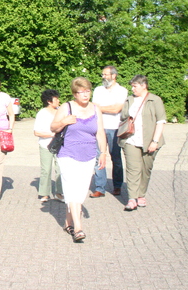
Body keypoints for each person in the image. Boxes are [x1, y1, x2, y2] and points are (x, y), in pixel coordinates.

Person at [51, 77, 108, 242]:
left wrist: (103, 153)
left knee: (82, 189)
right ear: (74, 94)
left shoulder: (96, 109)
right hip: (68, 153)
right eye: (81, 92)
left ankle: (67, 223)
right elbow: (53, 127)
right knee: (71, 188)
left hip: (89, 154)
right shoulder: (66, 107)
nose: (85, 94)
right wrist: (64, 121)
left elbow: (100, 132)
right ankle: (78, 227)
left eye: (87, 91)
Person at [119, 74, 166, 211]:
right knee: (133, 169)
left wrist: (155, 141)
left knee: (146, 169)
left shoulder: (155, 100)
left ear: (143, 85)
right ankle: (132, 198)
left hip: (150, 141)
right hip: (131, 140)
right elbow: (123, 117)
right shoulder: (129, 100)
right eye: (132, 86)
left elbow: (160, 121)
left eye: (135, 86)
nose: (132, 89)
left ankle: (141, 195)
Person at [90, 66, 129, 197]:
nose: (103, 77)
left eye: (106, 74)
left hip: (115, 127)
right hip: (99, 127)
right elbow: (94, 108)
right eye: (102, 74)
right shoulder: (98, 90)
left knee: (116, 157)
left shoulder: (122, 91)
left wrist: (101, 107)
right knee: (98, 156)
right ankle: (100, 188)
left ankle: (117, 185)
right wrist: (106, 108)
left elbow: (117, 109)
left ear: (114, 76)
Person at [33, 89, 64, 203]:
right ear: (49, 101)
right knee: (46, 169)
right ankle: (44, 193)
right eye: (56, 99)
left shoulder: (61, 111)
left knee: (60, 169)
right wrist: (51, 135)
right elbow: (36, 132)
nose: (58, 101)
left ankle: (59, 192)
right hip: (45, 144)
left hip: (60, 144)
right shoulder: (42, 113)